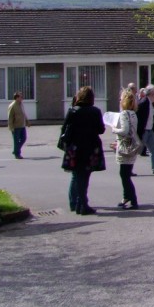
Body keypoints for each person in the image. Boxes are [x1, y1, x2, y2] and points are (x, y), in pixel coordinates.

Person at [60, 86, 106, 215]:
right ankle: (82, 204)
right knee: (84, 176)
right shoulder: (95, 111)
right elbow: (101, 130)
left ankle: (77, 203)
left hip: (75, 148)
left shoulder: (73, 111)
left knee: (77, 175)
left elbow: (65, 129)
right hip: (91, 147)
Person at [111, 89, 142, 209]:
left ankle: (132, 199)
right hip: (132, 145)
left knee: (124, 175)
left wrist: (114, 129)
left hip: (125, 146)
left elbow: (124, 130)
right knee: (126, 173)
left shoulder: (124, 114)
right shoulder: (133, 114)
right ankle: (126, 197)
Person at [7, 91, 28, 159]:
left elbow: (23, 113)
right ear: (17, 98)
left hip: (22, 125)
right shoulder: (12, 106)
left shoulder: (21, 104)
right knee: (16, 141)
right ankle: (17, 154)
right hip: (15, 127)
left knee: (24, 138)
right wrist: (11, 127)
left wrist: (27, 121)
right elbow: (10, 117)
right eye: (21, 97)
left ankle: (16, 150)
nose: (22, 98)